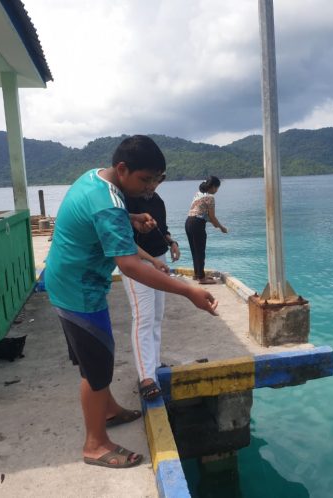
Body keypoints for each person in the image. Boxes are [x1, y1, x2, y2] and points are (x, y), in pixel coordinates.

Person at [45, 135, 218, 469]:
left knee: (91, 358)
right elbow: (128, 265)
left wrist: (131, 220)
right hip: (79, 292)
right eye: (144, 179)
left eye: (156, 180)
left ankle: (107, 409)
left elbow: (100, 221)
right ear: (122, 169)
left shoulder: (97, 179)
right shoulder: (111, 203)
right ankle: (95, 444)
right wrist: (188, 291)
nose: (149, 188)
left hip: (67, 283)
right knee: (97, 368)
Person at [122, 174, 179, 401]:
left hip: (159, 258)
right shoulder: (128, 201)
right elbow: (126, 241)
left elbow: (162, 230)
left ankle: (154, 364)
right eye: (149, 180)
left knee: (157, 315)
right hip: (138, 263)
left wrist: (172, 242)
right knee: (143, 317)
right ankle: (146, 377)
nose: (152, 186)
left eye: (157, 181)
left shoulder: (158, 201)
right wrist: (153, 261)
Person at [185, 176, 228, 284]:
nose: (217, 190)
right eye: (217, 188)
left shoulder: (198, 194)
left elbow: (204, 214)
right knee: (200, 251)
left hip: (188, 222)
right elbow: (212, 217)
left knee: (194, 251)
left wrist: (215, 225)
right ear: (213, 187)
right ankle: (202, 278)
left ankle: (197, 274)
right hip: (197, 224)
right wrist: (222, 227)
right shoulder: (210, 197)